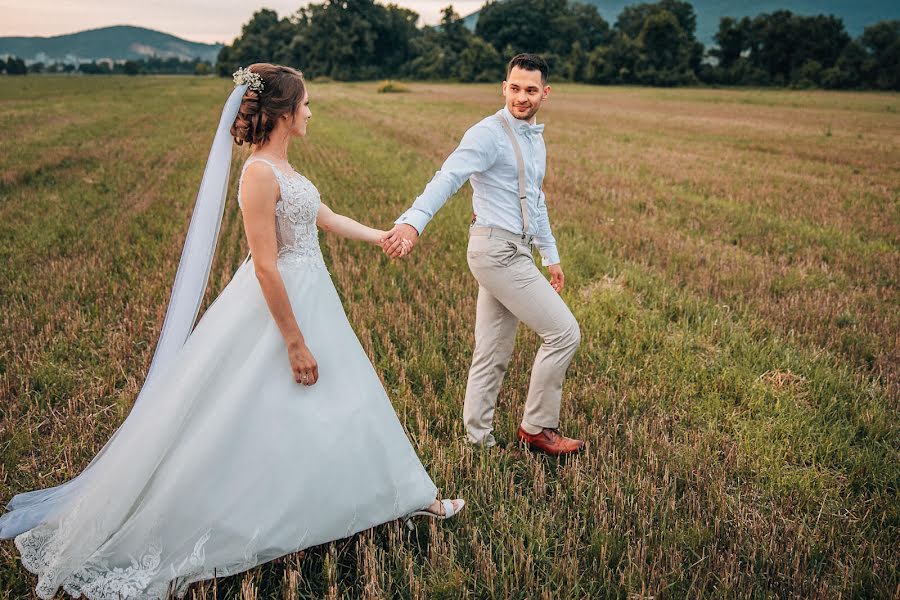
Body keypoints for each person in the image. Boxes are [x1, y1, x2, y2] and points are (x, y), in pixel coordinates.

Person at [1, 63, 463, 600]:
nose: (311, 112)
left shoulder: (286, 169)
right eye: (306, 104)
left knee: (352, 399)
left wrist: (383, 236)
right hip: (282, 307)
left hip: (316, 298)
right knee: (255, 413)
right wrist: (293, 340)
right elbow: (265, 266)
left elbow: (325, 215)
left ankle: (409, 495)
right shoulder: (258, 174)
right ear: (284, 113)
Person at [381, 53, 584, 456]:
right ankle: (537, 428)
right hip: (496, 251)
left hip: (516, 250)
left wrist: (551, 255)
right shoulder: (487, 134)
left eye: (530, 90)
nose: (521, 97)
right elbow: (449, 177)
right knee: (564, 333)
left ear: (546, 93)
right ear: (503, 87)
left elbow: (536, 199)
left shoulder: (534, 138)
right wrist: (412, 221)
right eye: (514, 88)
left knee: (492, 349)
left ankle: (477, 440)